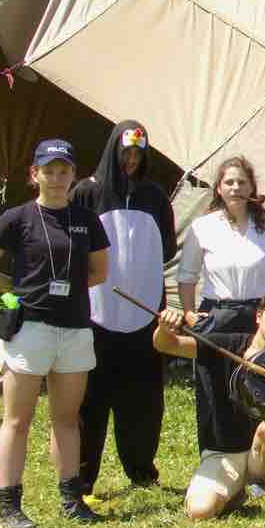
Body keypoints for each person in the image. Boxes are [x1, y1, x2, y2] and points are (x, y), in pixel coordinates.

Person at [0, 139, 112, 528]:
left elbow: (99, 272)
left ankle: (71, 501)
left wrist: (68, 290)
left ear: (74, 175)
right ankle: (9, 507)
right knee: (17, 420)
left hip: (75, 329)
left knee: (67, 419)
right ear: (35, 175)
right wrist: (15, 289)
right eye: (49, 170)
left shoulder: (87, 220)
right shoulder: (17, 218)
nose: (57, 178)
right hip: (29, 329)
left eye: (64, 171)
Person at [71, 120, 175, 499]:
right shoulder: (87, 192)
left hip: (144, 314)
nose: (131, 160)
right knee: (91, 400)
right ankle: (83, 478)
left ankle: (142, 470)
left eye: (137, 154)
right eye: (125, 153)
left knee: (143, 399)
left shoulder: (155, 196)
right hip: (95, 315)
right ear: (112, 151)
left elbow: (167, 248)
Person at [151, 290, 265, 520]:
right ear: (259, 316)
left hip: (261, 453)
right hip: (222, 453)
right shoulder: (225, 344)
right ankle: (234, 493)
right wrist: (164, 328)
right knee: (200, 511)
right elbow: (169, 345)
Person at [178, 155, 265, 336]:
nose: (236, 187)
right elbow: (187, 276)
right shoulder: (202, 227)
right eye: (229, 182)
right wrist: (189, 314)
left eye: (242, 182)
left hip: (261, 318)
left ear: (251, 188)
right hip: (215, 317)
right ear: (219, 189)